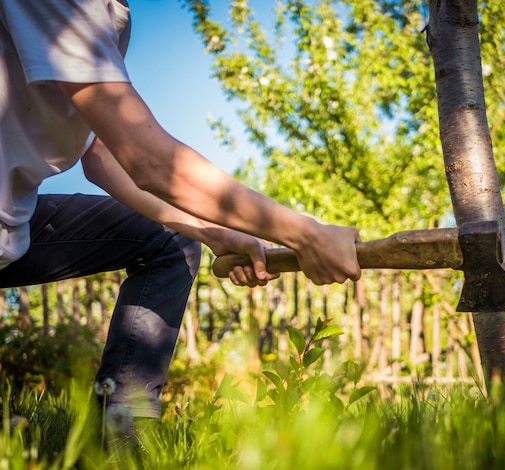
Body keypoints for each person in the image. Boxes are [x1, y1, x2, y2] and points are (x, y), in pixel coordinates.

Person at [0, 0, 361, 426]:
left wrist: (212, 231)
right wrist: (305, 234)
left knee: (170, 239)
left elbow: (103, 156)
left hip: (10, 228)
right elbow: (147, 159)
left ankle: (126, 431)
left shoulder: (111, 15)